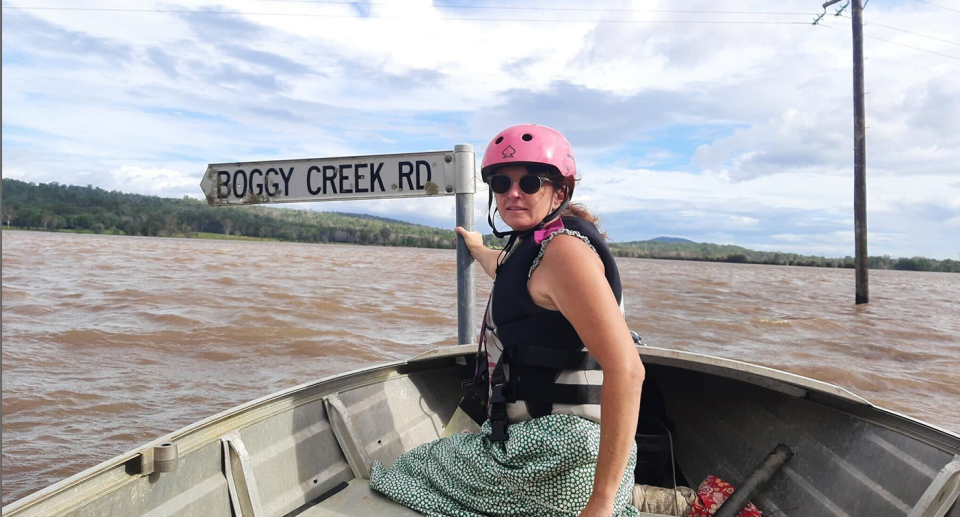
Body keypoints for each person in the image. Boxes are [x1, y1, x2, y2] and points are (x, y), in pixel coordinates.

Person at [370, 124, 645, 517]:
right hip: (568, 455)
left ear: (560, 191)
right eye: (501, 183)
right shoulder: (537, 246)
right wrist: (478, 247)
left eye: (530, 182)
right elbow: (504, 269)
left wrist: (599, 504)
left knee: (404, 471)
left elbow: (628, 371)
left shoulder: (565, 255)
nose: (513, 193)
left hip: (560, 461)